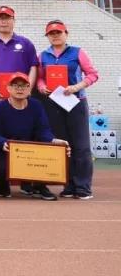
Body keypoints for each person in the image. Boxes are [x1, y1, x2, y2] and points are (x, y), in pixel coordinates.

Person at [37, 20, 98, 199]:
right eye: (51, 33)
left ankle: (83, 187)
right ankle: (69, 185)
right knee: (63, 144)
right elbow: (40, 78)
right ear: (47, 36)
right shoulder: (43, 55)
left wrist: (76, 87)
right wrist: (41, 87)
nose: (55, 36)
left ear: (66, 34)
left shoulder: (78, 52)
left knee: (81, 145)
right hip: (53, 104)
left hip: (75, 102)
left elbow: (93, 74)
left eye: (59, 32)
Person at [0, 73, 70, 200]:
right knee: (1, 168)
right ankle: (2, 185)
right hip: (7, 149)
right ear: (8, 88)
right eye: (15, 85)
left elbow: (43, 130)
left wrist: (53, 140)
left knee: (47, 153)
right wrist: (2, 142)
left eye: (23, 86)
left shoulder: (36, 105)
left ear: (29, 88)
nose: (19, 89)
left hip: (30, 149)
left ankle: (40, 186)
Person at [0, 5, 38, 109]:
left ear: (14, 21)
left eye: (7, 18)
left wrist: (28, 89)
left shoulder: (26, 43)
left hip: (21, 99)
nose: (4, 21)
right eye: (0, 18)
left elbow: (33, 67)